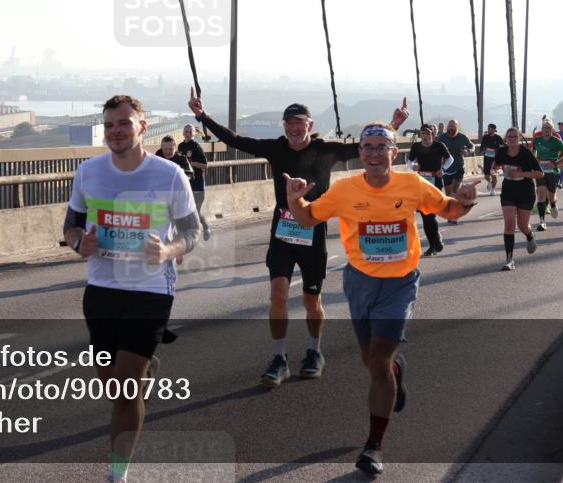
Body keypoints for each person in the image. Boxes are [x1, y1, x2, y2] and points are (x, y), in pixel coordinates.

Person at [283, 122, 479, 476]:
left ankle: (374, 444)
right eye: (368, 147)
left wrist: (465, 202)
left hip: (400, 283)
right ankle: (396, 371)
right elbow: (308, 217)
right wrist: (294, 200)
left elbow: (449, 209)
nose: (374, 153)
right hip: (359, 282)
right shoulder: (345, 190)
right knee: (371, 360)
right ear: (360, 153)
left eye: (381, 146)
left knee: (377, 360)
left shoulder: (412, 184)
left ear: (394, 152)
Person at [188, 88, 409, 386]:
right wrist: (203, 116)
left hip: (314, 229)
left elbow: (368, 147)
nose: (293, 127)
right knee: (277, 295)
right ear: (284, 126)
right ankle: (279, 358)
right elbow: (234, 140)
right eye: (288, 122)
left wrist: (394, 125)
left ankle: (314, 352)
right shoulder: (275, 148)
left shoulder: (327, 150)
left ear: (310, 125)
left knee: (310, 300)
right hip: (282, 230)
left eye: (299, 122)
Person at [64, 95, 200, 483]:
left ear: (142, 127)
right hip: (102, 288)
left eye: (124, 123)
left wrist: (169, 249)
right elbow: (71, 225)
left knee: (124, 391)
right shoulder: (89, 172)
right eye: (109, 125)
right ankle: (145, 370)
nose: (116, 131)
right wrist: (78, 243)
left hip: (151, 289)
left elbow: (192, 232)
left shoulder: (169, 174)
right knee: (112, 382)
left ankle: (117, 472)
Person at [491, 128, 543, 270]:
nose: (512, 138)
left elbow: (539, 174)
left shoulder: (525, 153)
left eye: (515, 136)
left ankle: (529, 235)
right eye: (510, 136)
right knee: (509, 224)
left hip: (525, 191)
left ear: (519, 138)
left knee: (522, 225)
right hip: (508, 191)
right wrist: (494, 170)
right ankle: (509, 259)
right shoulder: (501, 152)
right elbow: (495, 165)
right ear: (505, 138)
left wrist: (521, 173)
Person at [407, 124, 451, 256]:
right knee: (425, 216)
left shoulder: (439, 146)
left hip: (435, 182)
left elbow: (450, 159)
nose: (425, 137)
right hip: (421, 183)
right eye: (423, 134)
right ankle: (434, 243)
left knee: (430, 214)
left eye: (427, 134)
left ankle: (435, 242)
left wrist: (442, 170)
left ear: (432, 135)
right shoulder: (416, 147)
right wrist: (413, 166)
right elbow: (409, 162)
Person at [531, 120, 563, 231]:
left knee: (551, 196)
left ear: (552, 130)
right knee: (541, 193)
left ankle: (552, 204)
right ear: (542, 130)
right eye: (545, 128)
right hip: (541, 172)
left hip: (553, 173)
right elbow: (533, 151)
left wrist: (556, 164)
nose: (547, 130)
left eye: (549, 128)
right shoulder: (537, 140)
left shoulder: (557, 141)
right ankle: (542, 222)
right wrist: (535, 161)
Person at [177, 124, 212, 241]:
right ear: (182, 133)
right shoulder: (180, 146)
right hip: (185, 185)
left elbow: (205, 165)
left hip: (197, 184)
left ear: (194, 133)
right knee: (185, 210)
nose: (187, 133)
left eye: (189, 131)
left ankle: (205, 227)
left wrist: (191, 164)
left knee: (195, 210)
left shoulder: (196, 147)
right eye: (185, 131)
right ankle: (186, 235)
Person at [437, 120, 475, 218]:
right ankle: (452, 213)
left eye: (453, 127)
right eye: (449, 127)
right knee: (449, 194)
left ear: (456, 127)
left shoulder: (462, 137)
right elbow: (435, 147)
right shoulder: (442, 137)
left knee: (455, 191)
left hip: (458, 168)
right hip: (446, 169)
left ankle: (454, 215)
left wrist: (468, 150)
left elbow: (472, 146)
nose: (451, 128)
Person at [479, 124, 505, 196]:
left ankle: (493, 190)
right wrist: (481, 151)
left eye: (490, 129)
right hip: (487, 157)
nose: (488, 130)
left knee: (494, 174)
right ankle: (489, 182)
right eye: (488, 128)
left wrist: (496, 148)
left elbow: (503, 146)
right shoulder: (485, 137)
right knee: (486, 175)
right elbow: (482, 145)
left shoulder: (498, 137)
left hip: (495, 158)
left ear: (494, 130)